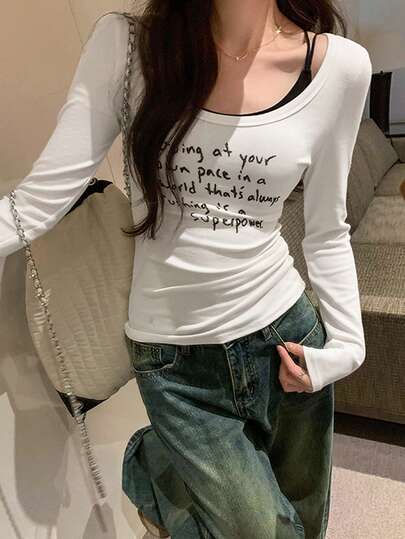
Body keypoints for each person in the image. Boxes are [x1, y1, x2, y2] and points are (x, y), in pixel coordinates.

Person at [0, 1, 372, 537]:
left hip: (287, 342)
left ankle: (172, 472)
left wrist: (348, 349)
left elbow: (327, 231)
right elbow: (36, 203)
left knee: (306, 524)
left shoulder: (339, 68)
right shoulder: (129, 47)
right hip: (176, 364)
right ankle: (153, 464)